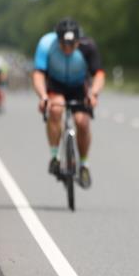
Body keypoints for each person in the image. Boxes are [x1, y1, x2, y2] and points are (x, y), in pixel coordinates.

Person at [32, 18, 105, 188]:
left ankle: (84, 164)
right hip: (56, 84)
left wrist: (94, 94)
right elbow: (38, 74)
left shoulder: (88, 47)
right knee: (56, 110)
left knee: (82, 122)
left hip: (79, 86)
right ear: (57, 40)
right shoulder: (46, 44)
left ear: (79, 41)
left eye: (72, 44)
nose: (67, 48)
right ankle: (55, 156)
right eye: (63, 44)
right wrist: (43, 96)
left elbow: (99, 74)